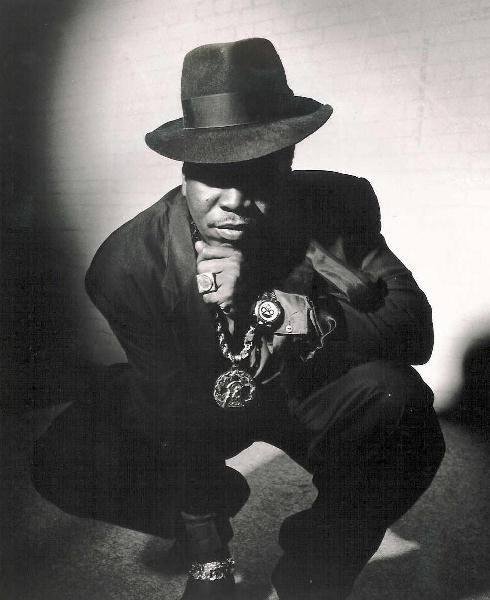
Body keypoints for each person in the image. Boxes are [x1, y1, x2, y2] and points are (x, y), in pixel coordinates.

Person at [83, 38, 445, 600]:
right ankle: (208, 518)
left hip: (307, 390)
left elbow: (413, 331)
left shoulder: (339, 203)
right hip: (200, 407)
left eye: (256, 173)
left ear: (287, 165)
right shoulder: (127, 265)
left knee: (402, 407)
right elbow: (171, 412)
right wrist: (208, 557)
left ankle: (312, 568)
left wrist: (264, 303)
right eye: (211, 174)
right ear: (184, 171)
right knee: (69, 452)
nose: (232, 200)